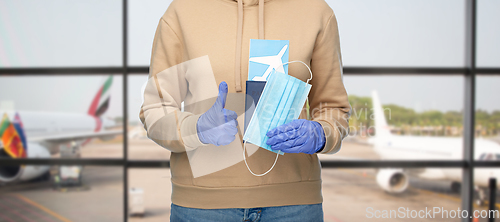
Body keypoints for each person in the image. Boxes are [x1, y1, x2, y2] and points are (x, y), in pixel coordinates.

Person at [139, 0, 351, 221]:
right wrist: (197, 128)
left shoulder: (315, 10)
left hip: (293, 205)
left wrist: (320, 133)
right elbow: (155, 109)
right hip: (202, 207)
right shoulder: (183, 10)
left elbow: (333, 107)